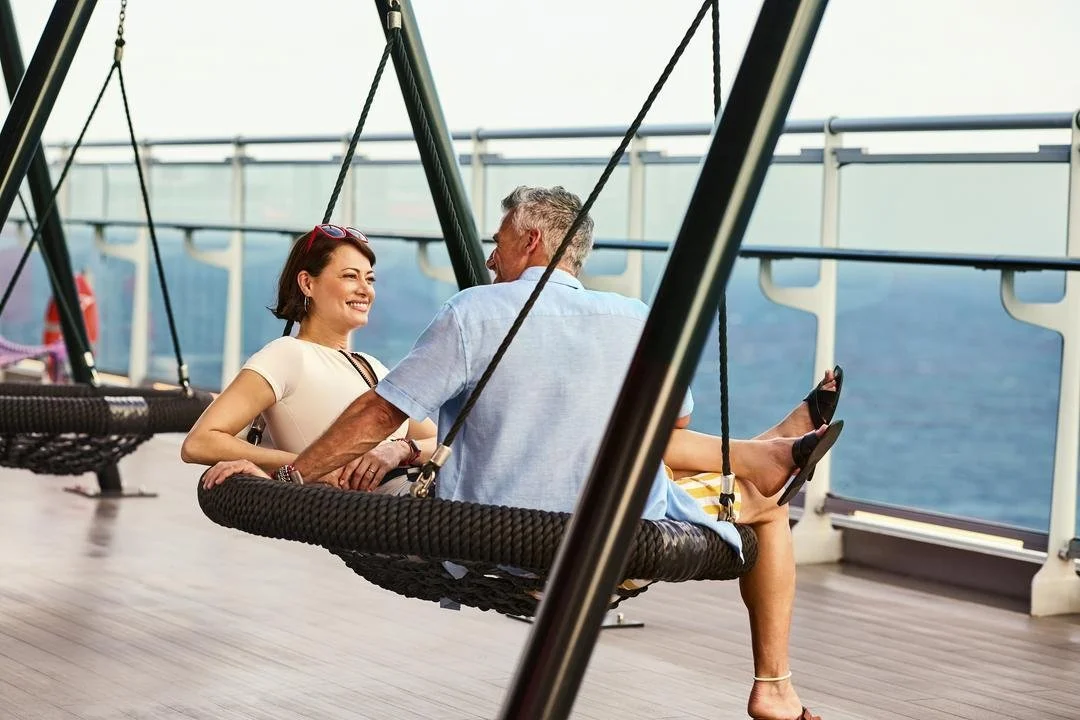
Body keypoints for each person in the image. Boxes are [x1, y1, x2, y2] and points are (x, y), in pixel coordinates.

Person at [202, 188, 840, 720]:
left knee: (626, 447)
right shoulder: (637, 317)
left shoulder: (474, 311)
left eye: (499, 240)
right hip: (620, 541)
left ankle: (764, 452)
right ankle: (773, 679)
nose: (489, 255)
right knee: (759, 508)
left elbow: (378, 412)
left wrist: (291, 476)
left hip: (496, 543)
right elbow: (668, 430)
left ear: (530, 241)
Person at [181, 223, 437, 492]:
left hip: (424, 497)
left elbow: (439, 441)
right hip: (398, 509)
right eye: (350, 276)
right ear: (307, 283)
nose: (365, 289)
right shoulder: (287, 355)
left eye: (369, 279)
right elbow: (200, 442)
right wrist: (305, 468)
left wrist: (402, 449)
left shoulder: (371, 365)